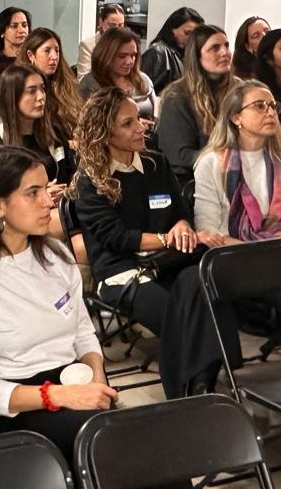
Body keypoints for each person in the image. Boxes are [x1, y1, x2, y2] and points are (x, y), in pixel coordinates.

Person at [0, 146, 222, 489]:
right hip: (11, 410)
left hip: (74, 391)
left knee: (134, 480)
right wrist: (63, 396)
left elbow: (84, 335)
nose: (48, 201)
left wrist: (96, 379)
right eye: (32, 193)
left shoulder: (54, 255)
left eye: (46, 190)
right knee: (140, 450)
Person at [73, 88, 231, 398]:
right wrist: (164, 237)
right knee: (178, 312)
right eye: (127, 124)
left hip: (171, 260)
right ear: (105, 134)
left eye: (139, 120)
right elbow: (117, 239)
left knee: (204, 285)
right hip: (122, 271)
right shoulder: (90, 180)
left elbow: (181, 212)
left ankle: (199, 384)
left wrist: (183, 227)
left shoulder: (156, 164)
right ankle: (192, 388)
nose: (141, 127)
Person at [192, 81, 281, 363]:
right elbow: (208, 232)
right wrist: (276, 249)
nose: (270, 112)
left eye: (273, 106)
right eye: (259, 106)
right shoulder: (211, 163)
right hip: (240, 262)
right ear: (235, 117)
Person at [156, 25, 234, 193]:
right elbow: (179, 155)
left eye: (226, 46)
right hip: (194, 184)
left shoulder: (240, 91)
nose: (224, 53)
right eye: (215, 48)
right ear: (197, 56)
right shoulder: (177, 96)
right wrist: (227, 161)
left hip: (236, 178)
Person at [0, 64, 75, 194]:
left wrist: (65, 191)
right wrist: (38, 194)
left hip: (57, 209)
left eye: (42, 89)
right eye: (32, 91)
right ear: (12, 97)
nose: (41, 97)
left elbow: (70, 178)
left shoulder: (56, 133)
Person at [79, 28, 158, 127]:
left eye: (133, 55)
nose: (129, 61)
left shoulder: (143, 79)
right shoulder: (91, 84)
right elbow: (88, 123)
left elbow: (156, 113)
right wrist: (131, 124)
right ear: (106, 56)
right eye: (122, 56)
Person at [20, 27, 82, 132]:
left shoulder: (67, 85)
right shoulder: (20, 87)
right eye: (47, 51)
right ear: (31, 56)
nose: (54, 57)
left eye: (57, 51)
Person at [139, 7, 203, 92]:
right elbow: (142, 91)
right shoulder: (158, 53)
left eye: (195, 35)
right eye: (187, 33)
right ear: (172, 30)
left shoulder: (188, 55)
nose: (191, 39)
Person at [75, 3, 126, 77]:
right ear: (101, 22)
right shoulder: (88, 46)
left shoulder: (127, 45)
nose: (117, 30)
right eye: (112, 25)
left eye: (121, 25)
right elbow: (83, 79)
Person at [0, 5, 31, 76]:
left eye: (24, 25)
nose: (22, 30)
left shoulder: (33, 57)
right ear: (2, 31)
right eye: (14, 26)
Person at [231, 16, 269, 80]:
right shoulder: (244, 80)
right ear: (248, 47)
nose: (264, 36)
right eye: (256, 36)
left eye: (268, 32)